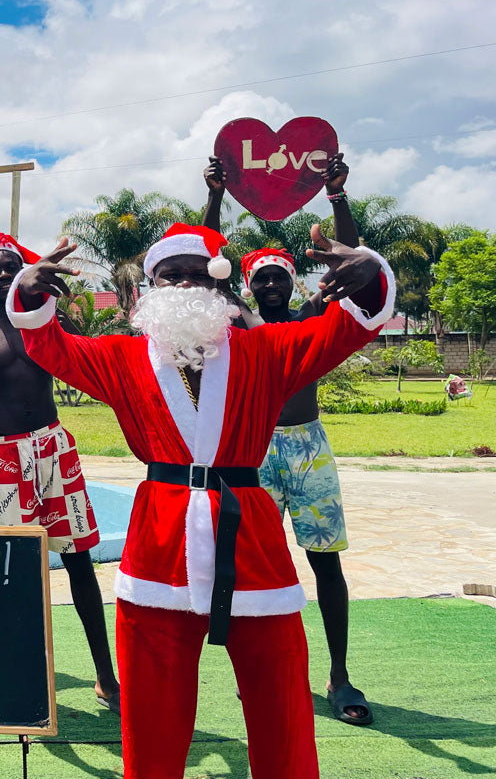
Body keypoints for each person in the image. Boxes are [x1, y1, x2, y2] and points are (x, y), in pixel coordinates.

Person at [8, 221, 393, 779]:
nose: (187, 284)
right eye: (172, 274)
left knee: (280, 693)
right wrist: (28, 292)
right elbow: (51, 347)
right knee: (151, 705)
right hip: (159, 539)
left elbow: (347, 329)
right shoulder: (121, 357)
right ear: (150, 287)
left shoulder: (267, 349)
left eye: (199, 273)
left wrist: (371, 276)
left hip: (250, 533)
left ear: (220, 286)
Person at [203, 152, 373, 725]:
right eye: (262, 278)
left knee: (326, 564)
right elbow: (209, 261)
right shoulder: (235, 323)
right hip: (251, 454)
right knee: (251, 569)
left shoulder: (310, 317)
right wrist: (216, 195)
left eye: (280, 275)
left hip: (308, 449)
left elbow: (353, 264)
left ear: (292, 281)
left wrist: (337, 195)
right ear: (249, 286)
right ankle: (261, 676)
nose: (272, 284)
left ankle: (340, 676)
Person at [0, 229, 120, 713]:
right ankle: (20, 677)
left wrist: (61, 317)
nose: (3, 275)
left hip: (53, 447)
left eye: (11, 267)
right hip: (3, 457)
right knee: (15, 571)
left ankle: (105, 676)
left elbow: (89, 361)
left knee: (79, 561)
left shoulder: (43, 318)